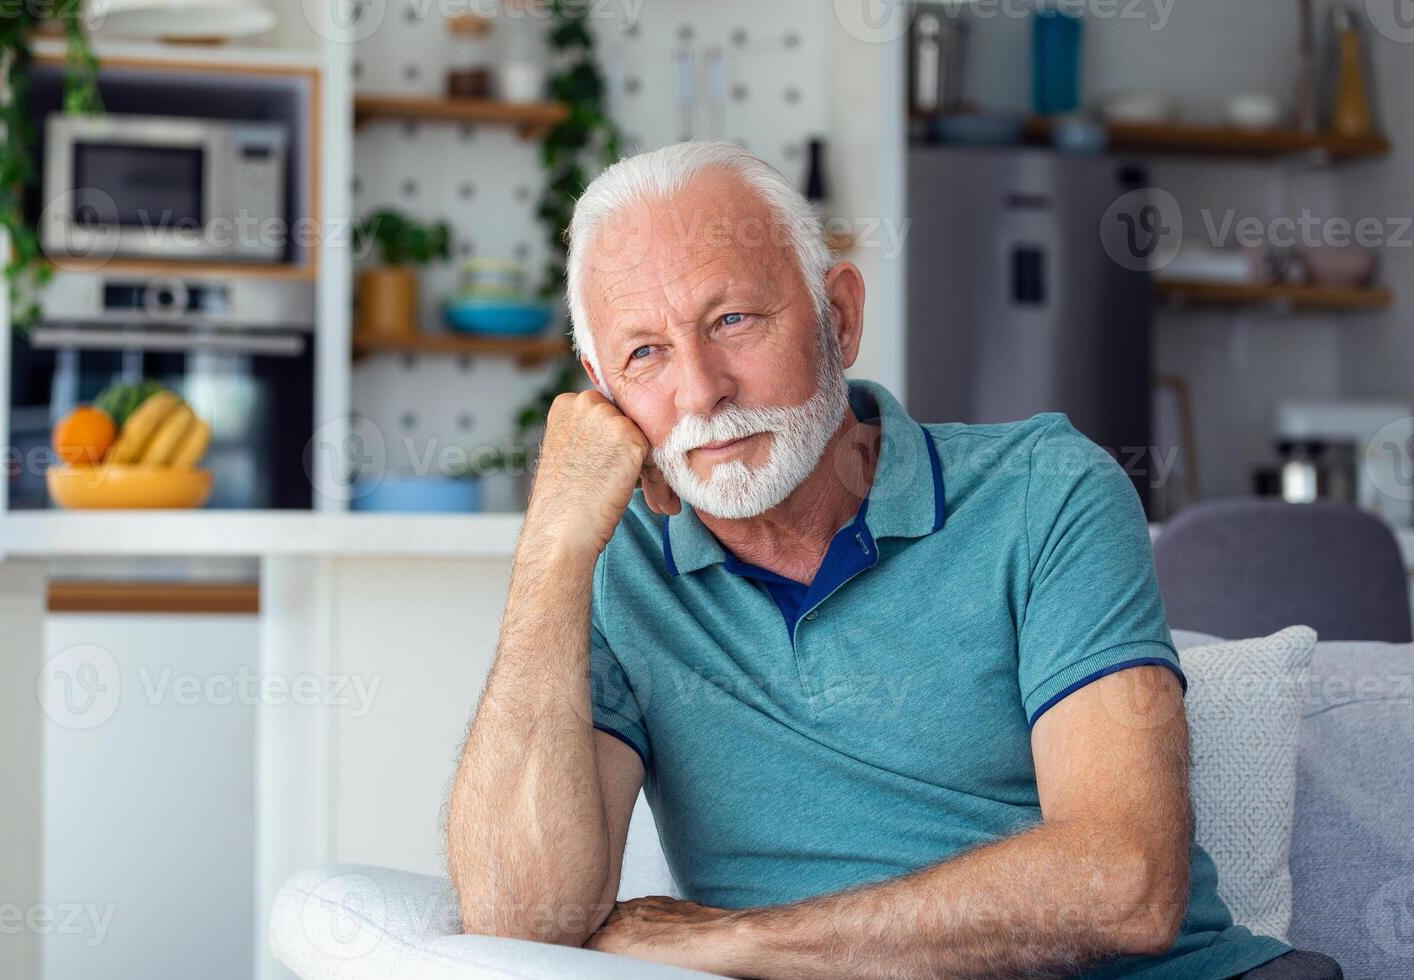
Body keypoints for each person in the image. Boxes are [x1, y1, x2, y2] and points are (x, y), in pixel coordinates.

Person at [445, 141, 1339, 980]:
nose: (701, 391)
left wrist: (739, 940)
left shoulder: (1045, 489)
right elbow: (524, 917)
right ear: (600, 397)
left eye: (733, 320)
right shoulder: (616, 567)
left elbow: (1127, 885)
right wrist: (553, 544)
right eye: (645, 354)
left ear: (838, 318)